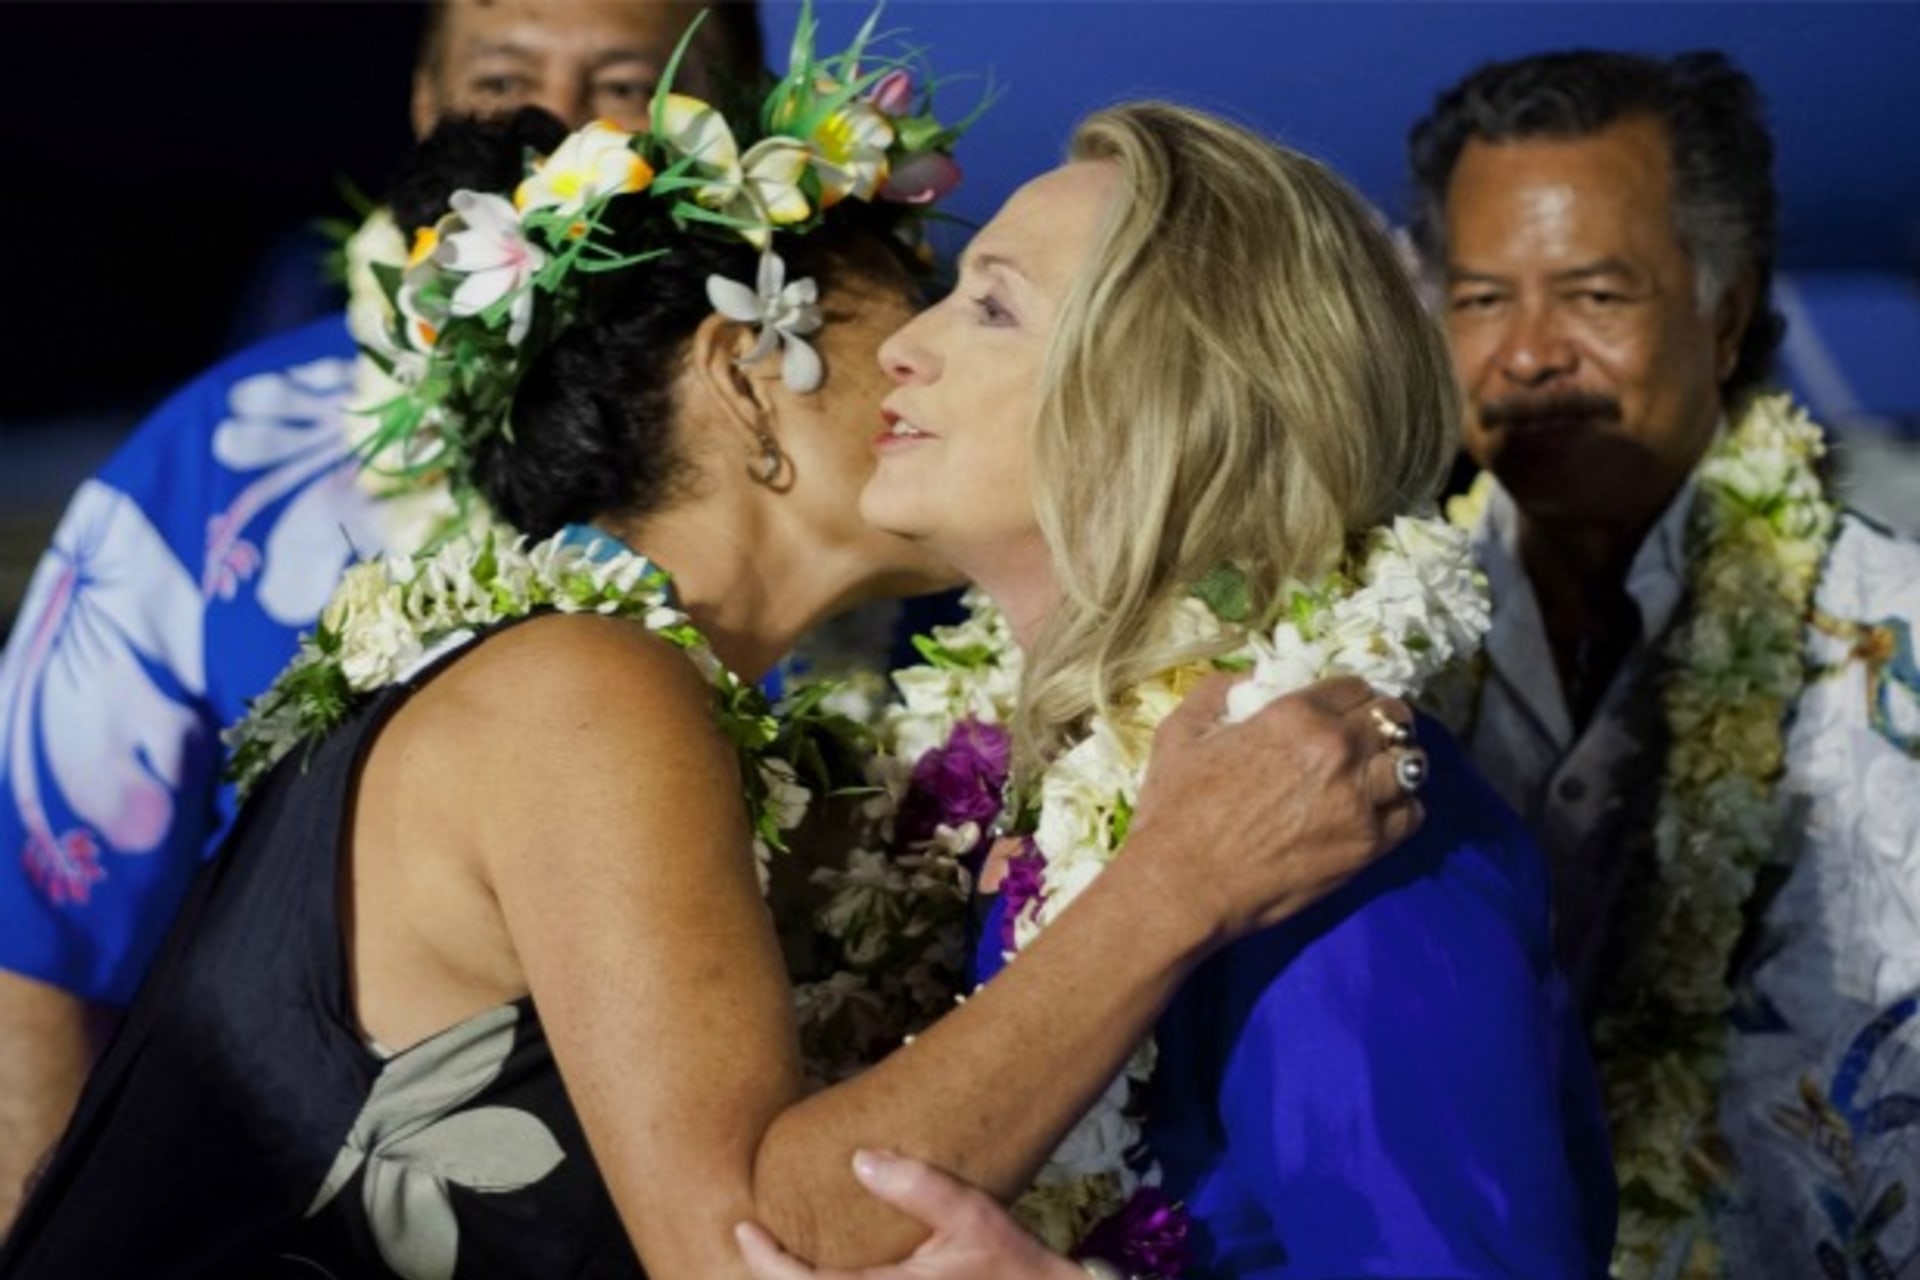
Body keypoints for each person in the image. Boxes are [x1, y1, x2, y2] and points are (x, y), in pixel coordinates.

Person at [0, 37, 1425, 1277]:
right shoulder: (583, 694)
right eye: (925, 294)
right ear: (747, 370)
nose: (930, 349)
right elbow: (746, 1252)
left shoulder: (608, 683)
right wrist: (1175, 881)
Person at [745, 101, 1617, 1279]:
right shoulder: (1025, 790)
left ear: (1171, 403)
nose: (905, 344)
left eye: (993, 305)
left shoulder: (1338, 821)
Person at [0, 0, 763, 1229]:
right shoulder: (213, 472)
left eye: (624, 83)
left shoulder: (860, 464)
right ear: (423, 104)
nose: (553, 130)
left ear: (741, 117)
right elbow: (34, 941)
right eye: (502, 75)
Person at [1406, 50, 1920, 1277]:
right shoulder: (1371, 647)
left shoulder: (1894, 631)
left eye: (1593, 294)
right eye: (1479, 299)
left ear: (1725, 309)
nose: (1526, 354)